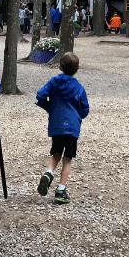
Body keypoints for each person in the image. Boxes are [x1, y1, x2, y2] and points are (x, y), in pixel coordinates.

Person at [36, 52, 89, 205]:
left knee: (56, 154)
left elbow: (40, 96)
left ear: (60, 67)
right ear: (78, 68)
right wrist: (77, 116)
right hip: (72, 127)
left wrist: (49, 108)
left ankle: (48, 173)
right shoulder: (78, 87)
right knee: (68, 159)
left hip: (56, 125)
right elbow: (85, 109)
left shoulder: (53, 82)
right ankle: (60, 190)